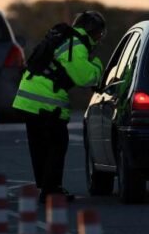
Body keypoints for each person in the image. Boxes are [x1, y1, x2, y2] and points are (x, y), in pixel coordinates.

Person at [12, 10, 105, 203]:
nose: (99, 38)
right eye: (99, 34)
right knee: (57, 142)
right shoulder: (76, 45)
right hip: (44, 99)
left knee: (39, 144)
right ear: (92, 31)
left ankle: (46, 188)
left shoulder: (63, 38)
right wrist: (97, 64)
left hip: (27, 97)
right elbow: (85, 77)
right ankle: (51, 190)